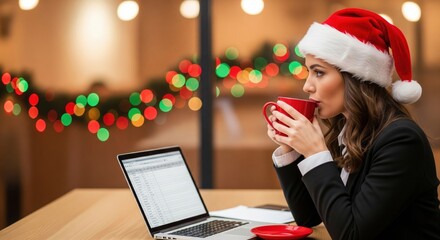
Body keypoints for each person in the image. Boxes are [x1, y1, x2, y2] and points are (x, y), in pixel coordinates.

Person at [266, 8, 440, 239]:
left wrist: (316, 152)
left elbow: (351, 234)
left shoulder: (401, 140)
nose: (307, 86)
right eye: (308, 72)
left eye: (318, 72)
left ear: (355, 77)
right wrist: (291, 149)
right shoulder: (347, 128)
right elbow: (309, 218)